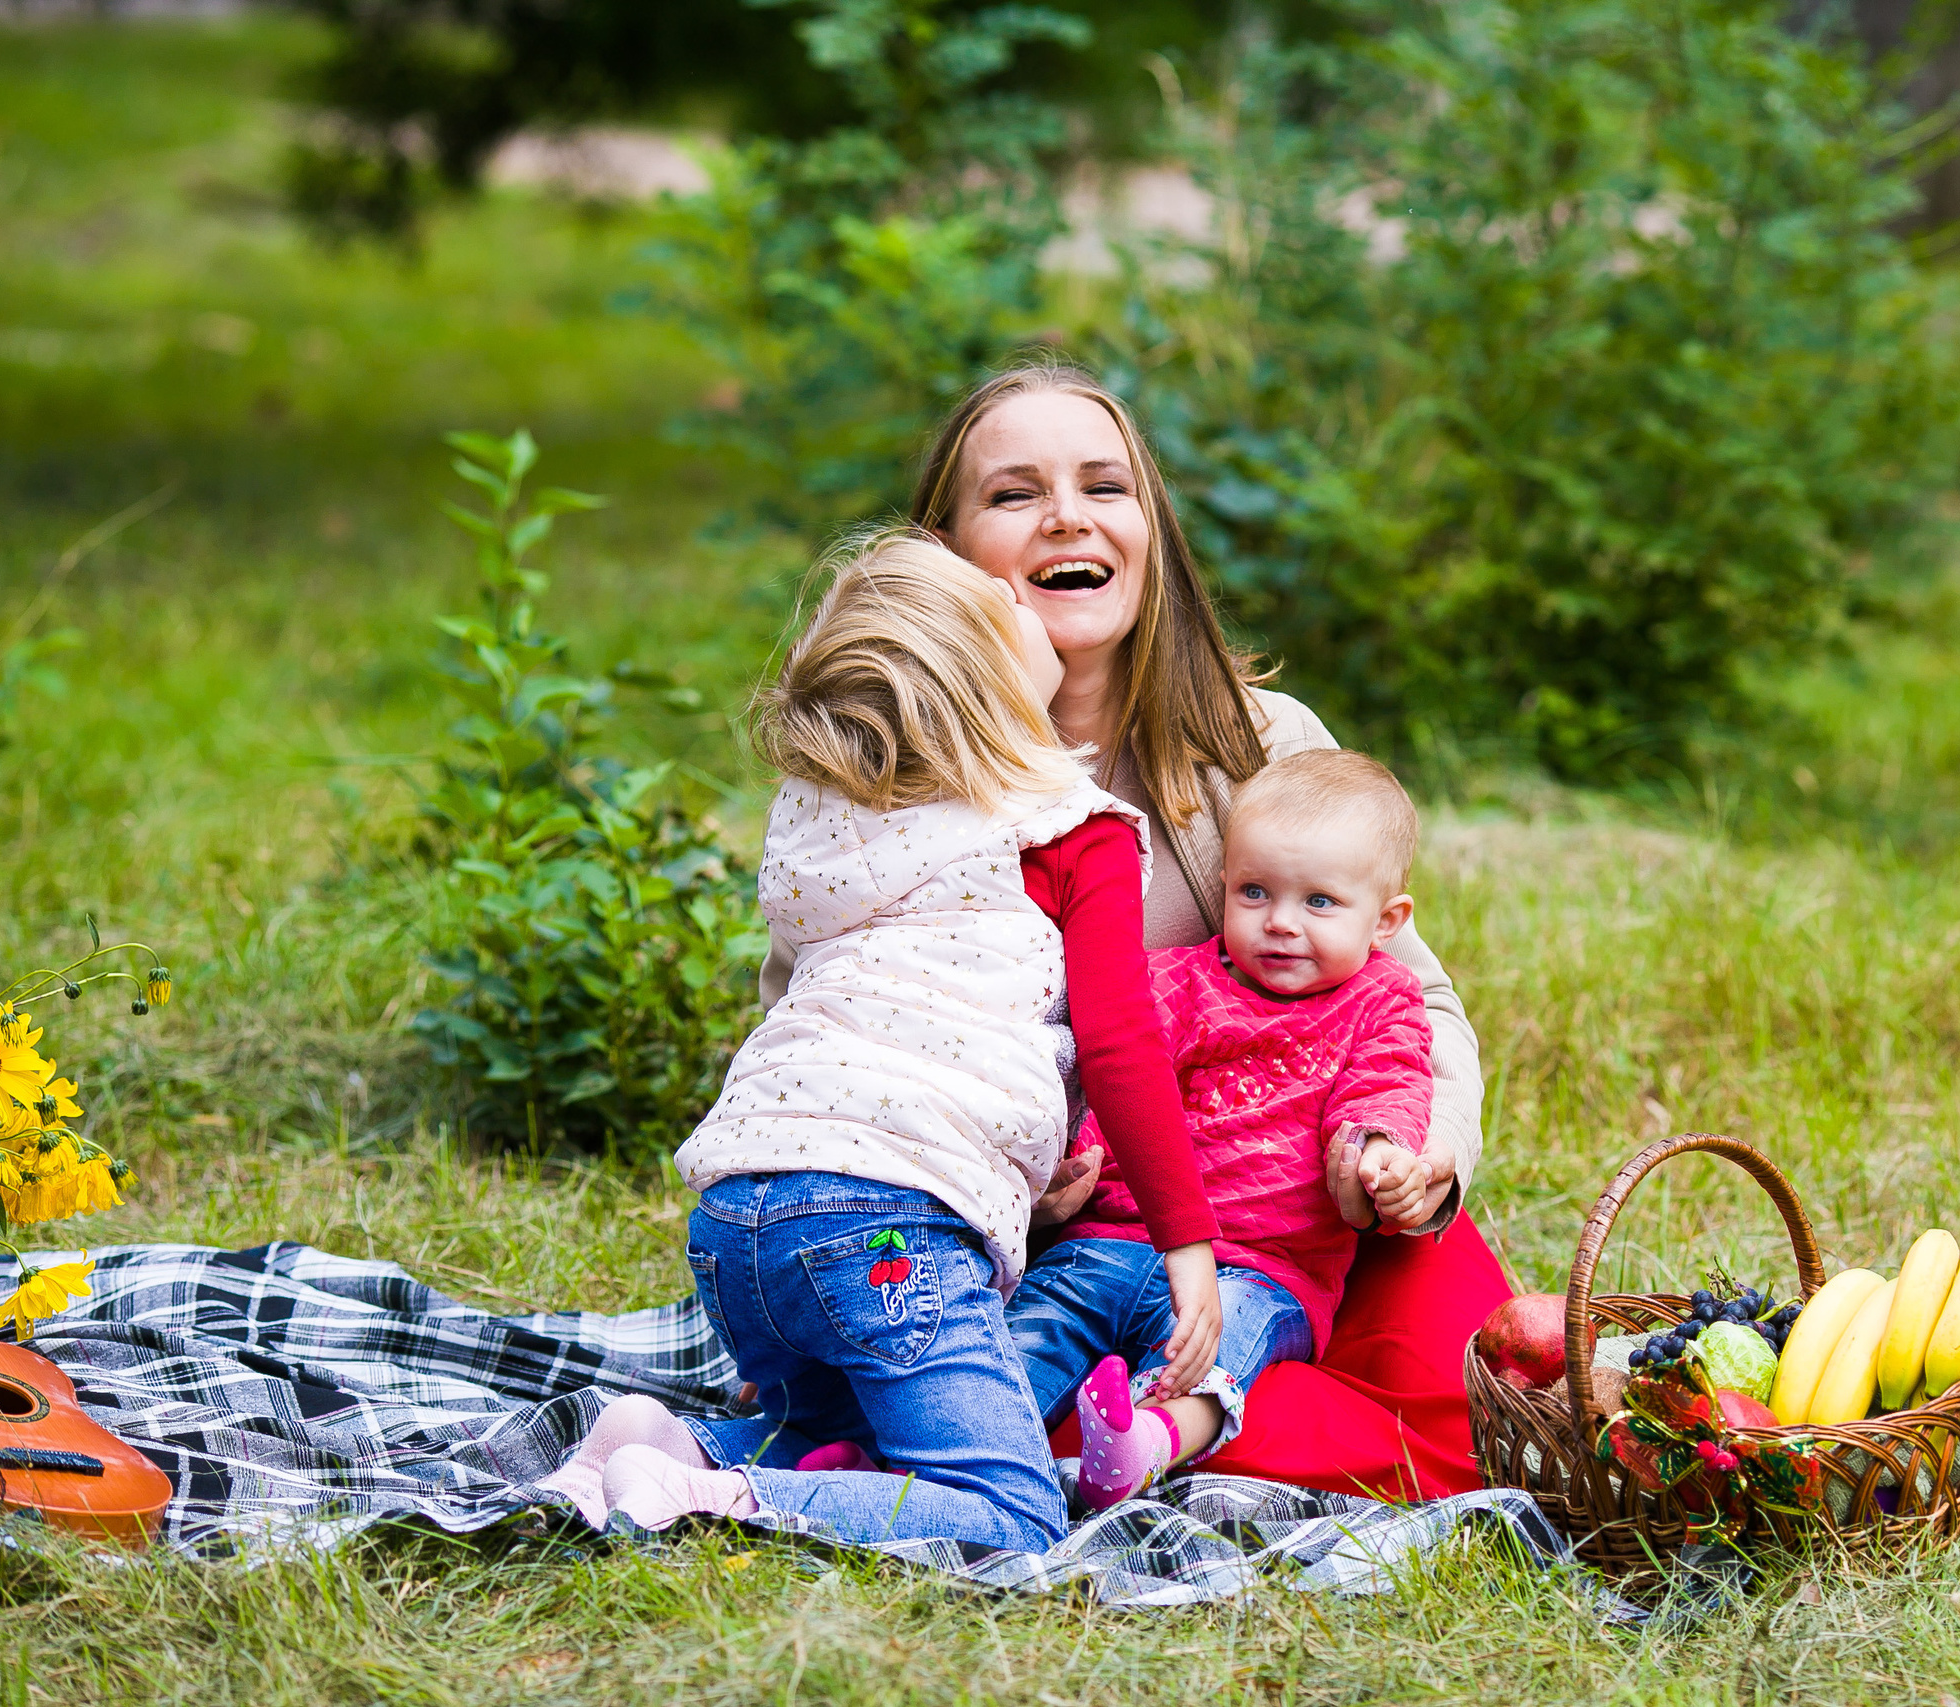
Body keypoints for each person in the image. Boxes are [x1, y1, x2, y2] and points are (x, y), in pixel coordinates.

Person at [756, 360, 1516, 1499]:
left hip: (1286, 1218)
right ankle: (1040, 1444)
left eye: (1103, 486)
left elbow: (1417, 1004)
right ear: (946, 552)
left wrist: (1421, 1160)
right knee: (986, 1364)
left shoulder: (1258, 744)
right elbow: (810, 1028)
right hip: (1027, 1230)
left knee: (1468, 1408)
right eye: (1015, 495)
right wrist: (1014, 1173)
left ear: (1147, 530)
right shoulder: (889, 774)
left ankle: (1107, 1437)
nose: (1067, 515)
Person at [539, 530, 1224, 1546]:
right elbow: (1121, 1041)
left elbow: (894, 1028)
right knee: (1012, 1510)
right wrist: (1188, 1244)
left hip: (736, 1220)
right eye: (1005, 610)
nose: (1024, 602)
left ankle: (663, 1445)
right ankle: (718, 1496)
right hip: (886, 1230)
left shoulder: (832, 830)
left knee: (842, 1442)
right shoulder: (1071, 828)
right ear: (991, 681)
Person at [1007, 749, 1435, 1509]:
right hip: (1112, 1239)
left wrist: (1378, 1154)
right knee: (1032, 1328)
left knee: (1222, 1347)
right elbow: (1114, 1086)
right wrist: (1069, 1164)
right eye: (1255, 891)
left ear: (1388, 920)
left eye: (1320, 903)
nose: (1280, 923)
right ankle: (942, 1446)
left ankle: (1143, 1440)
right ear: (1224, 885)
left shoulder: (1382, 1001)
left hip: (1265, 1266)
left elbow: (1388, 1084)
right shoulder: (1176, 982)